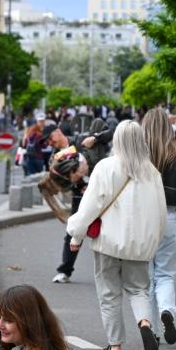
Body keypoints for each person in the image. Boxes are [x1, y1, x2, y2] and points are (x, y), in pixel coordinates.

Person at [66, 120, 166, 350]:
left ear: (117, 140)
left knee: (109, 293)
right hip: (140, 245)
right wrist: (154, 241)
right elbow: (160, 212)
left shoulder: (105, 167)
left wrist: (77, 234)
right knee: (139, 289)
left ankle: (115, 345)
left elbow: (90, 206)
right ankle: (144, 323)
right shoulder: (152, 172)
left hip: (108, 241)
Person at [41, 120, 113, 284]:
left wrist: (94, 138)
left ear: (58, 131)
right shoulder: (56, 157)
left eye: (50, 137)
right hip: (80, 196)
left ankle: (115, 272)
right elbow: (63, 182)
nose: (49, 142)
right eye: (47, 141)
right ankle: (65, 271)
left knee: (108, 231)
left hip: (102, 191)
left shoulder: (80, 140)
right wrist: (79, 184)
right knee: (73, 232)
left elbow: (110, 133)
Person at [143, 108, 176, 346]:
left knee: (147, 277)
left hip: (143, 217)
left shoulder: (139, 154)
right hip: (169, 215)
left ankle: (152, 329)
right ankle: (168, 311)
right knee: (165, 273)